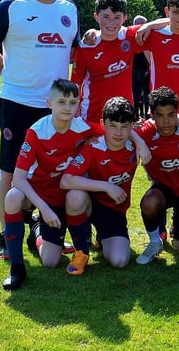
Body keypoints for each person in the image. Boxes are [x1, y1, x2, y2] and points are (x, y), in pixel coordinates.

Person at [0, 0, 79, 259]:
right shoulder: (11, 6)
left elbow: (73, 53)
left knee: (53, 169)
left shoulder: (70, 9)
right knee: (10, 171)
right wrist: (11, 76)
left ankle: (45, 226)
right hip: (18, 103)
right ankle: (6, 234)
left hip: (56, 108)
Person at [0, 79, 93, 290]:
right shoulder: (37, 132)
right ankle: (17, 267)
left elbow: (111, 129)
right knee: (12, 197)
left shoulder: (83, 127)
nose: (68, 108)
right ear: (50, 103)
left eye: (73, 102)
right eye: (62, 102)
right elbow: (18, 178)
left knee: (51, 261)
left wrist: (139, 141)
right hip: (41, 196)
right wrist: (44, 209)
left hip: (65, 197)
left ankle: (44, 233)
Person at [60, 97, 140, 273]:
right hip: (90, 203)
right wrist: (107, 186)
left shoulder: (136, 145)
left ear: (132, 127)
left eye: (124, 126)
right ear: (103, 124)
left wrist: (142, 143)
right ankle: (81, 253)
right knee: (74, 196)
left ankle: (103, 237)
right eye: (113, 126)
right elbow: (66, 180)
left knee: (119, 261)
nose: (118, 133)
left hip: (114, 211)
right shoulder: (93, 145)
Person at [133, 87, 179, 264]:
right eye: (160, 116)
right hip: (164, 189)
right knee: (149, 203)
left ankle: (178, 225)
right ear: (152, 115)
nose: (166, 121)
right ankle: (155, 242)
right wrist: (139, 141)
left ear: (177, 114)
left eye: (171, 115)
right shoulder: (146, 131)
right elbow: (122, 131)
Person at [71, 0, 144, 127]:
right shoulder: (86, 47)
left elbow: (168, 25)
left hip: (124, 117)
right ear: (96, 17)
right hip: (92, 118)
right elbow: (75, 85)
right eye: (106, 17)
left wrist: (150, 26)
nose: (111, 23)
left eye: (117, 17)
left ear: (125, 18)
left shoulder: (130, 36)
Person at [131, 15, 151, 119]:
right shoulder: (129, 36)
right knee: (135, 96)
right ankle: (135, 119)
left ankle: (147, 118)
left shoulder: (148, 36)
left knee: (147, 96)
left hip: (144, 70)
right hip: (134, 70)